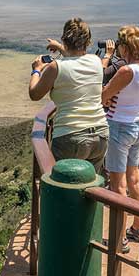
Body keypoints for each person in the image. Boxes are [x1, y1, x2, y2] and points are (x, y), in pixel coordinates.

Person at [29, 18, 108, 172]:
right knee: (91, 186)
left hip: (70, 135)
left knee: (64, 189)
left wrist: (36, 70)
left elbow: (35, 94)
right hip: (100, 134)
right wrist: (60, 47)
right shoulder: (96, 61)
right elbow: (75, 58)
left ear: (65, 38)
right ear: (88, 41)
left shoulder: (55, 67)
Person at [101, 26, 139, 249]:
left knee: (118, 186)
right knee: (133, 180)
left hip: (119, 126)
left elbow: (104, 96)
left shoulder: (126, 71)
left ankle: (119, 239)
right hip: (138, 124)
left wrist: (107, 93)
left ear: (124, 47)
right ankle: (137, 228)